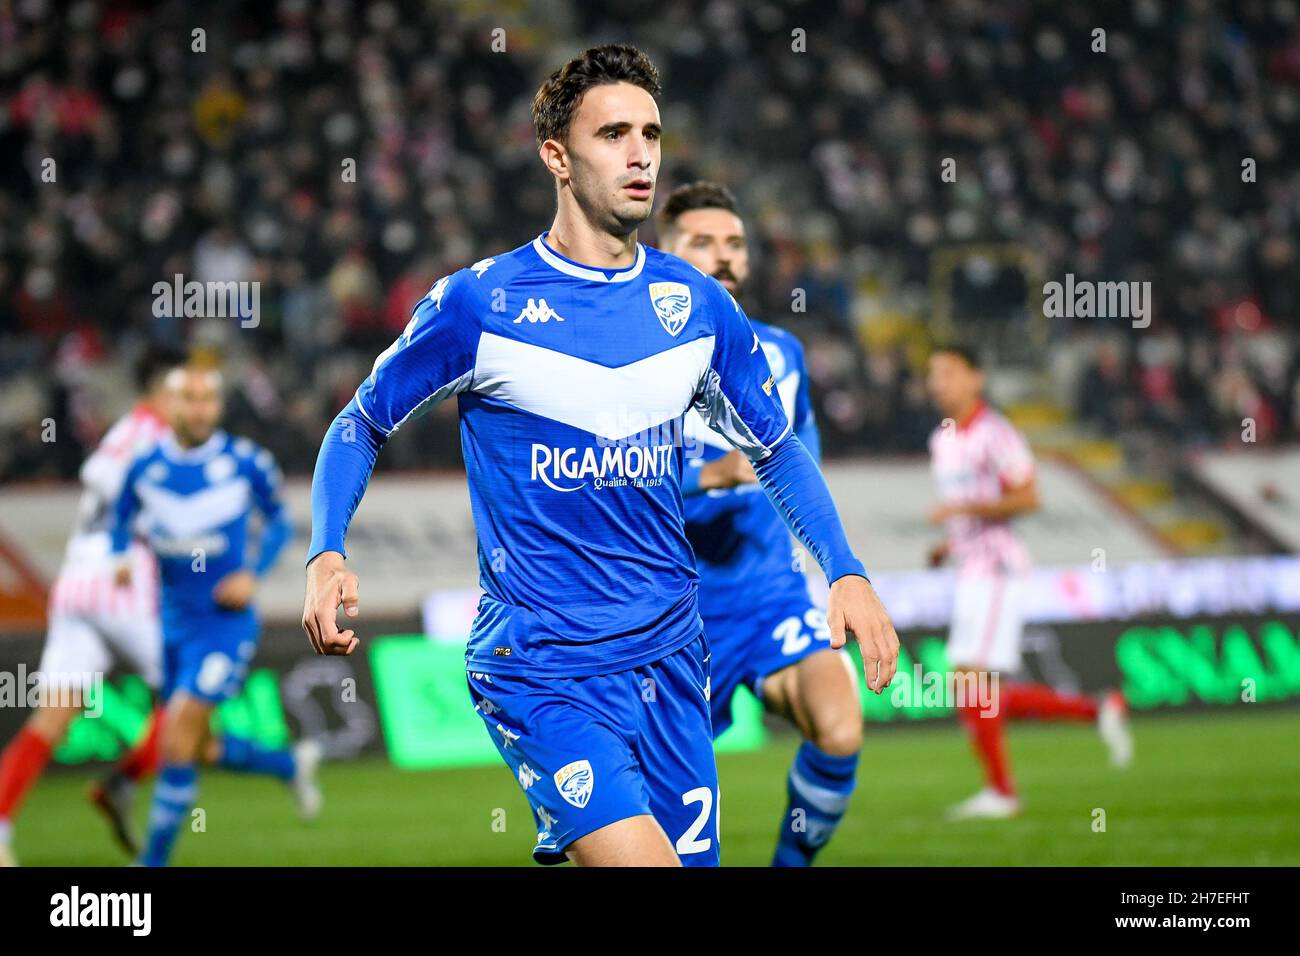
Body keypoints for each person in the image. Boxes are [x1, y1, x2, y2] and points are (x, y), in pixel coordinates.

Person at [302, 44, 899, 867]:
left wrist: (846, 571)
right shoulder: (479, 302)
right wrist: (327, 550)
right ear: (556, 155)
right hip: (543, 667)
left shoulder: (695, 307)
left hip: (670, 658)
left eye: (650, 133)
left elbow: (776, 448)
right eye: (613, 132)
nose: (640, 153)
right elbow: (359, 424)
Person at [659, 181, 863, 866]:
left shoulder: (782, 355)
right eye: (702, 243)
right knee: (671, 834)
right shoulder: (624, 361)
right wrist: (707, 476)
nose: (723, 256)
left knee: (838, 725)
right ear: (662, 251)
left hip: (769, 599)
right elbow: (590, 483)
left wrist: (840, 569)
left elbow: (804, 472)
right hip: (666, 620)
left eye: (735, 244)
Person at [112, 364, 320, 866]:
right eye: (191, 399)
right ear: (170, 405)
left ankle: (152, 863)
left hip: (224, 624)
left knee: (177, 733)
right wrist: (120, 556)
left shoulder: (246, 461)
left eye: (209, 400)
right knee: (196, 745)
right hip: (171, 624)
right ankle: (286, 763)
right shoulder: (144, 467)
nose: (201, 409)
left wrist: (253, 572)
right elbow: (119, 519)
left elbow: (279, 524)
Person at [925, 344, 1132, 821]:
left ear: (976, 378)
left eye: (949, 373)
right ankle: (1097, 710)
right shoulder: (943, 438)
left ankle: (1002, 791)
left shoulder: (996, 433)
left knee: (971, 683)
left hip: (998, 567)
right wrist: (949, 544)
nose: (939, 384)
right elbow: (968, 509)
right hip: (970, 566)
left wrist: (963, 512)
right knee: (972, 689)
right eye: (934, 375)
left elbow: (1028, 496)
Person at [0, 346, 181, 867]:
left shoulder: (121, 433)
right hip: (120, 581)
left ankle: (1, 824)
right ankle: (121, 785)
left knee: (51, 718)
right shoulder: (161, 439)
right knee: (191, 694)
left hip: (76, 581)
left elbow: (97, 482)